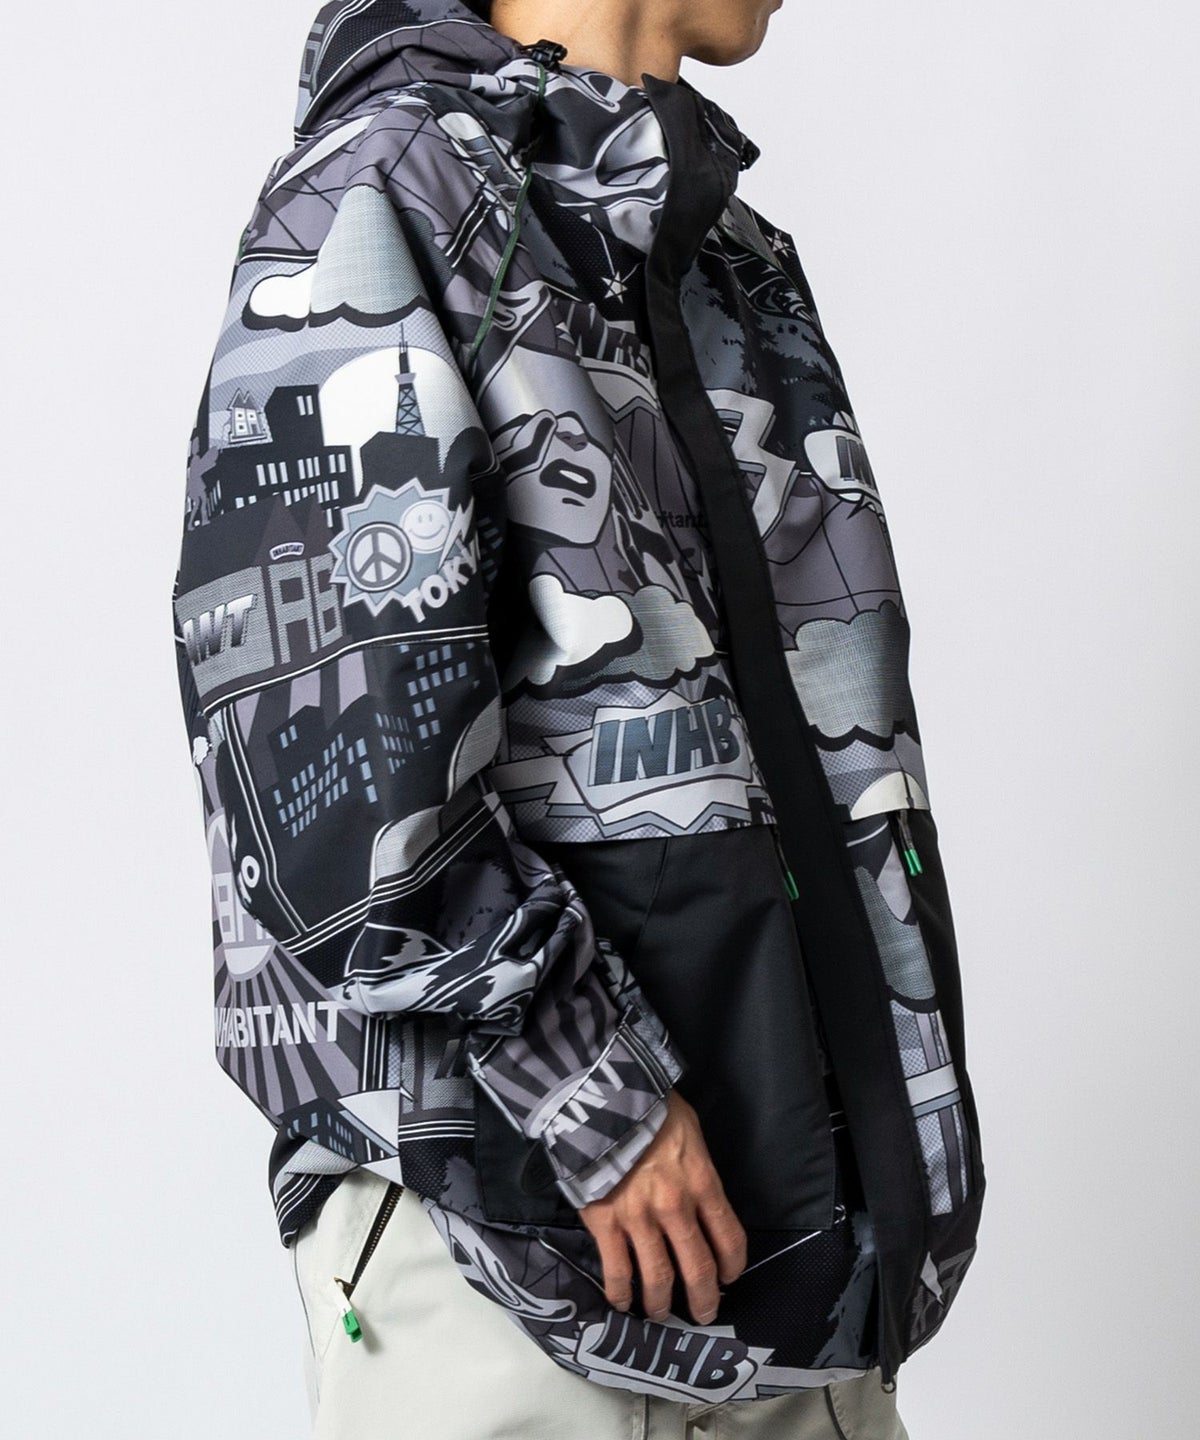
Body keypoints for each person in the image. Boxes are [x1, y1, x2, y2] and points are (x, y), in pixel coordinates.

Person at [170, 1, 986, 1436]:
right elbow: (326, 766)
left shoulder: (721, 251)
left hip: (792, 1250)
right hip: (519, 1239)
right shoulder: (385, 195)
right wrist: (595, 1102)